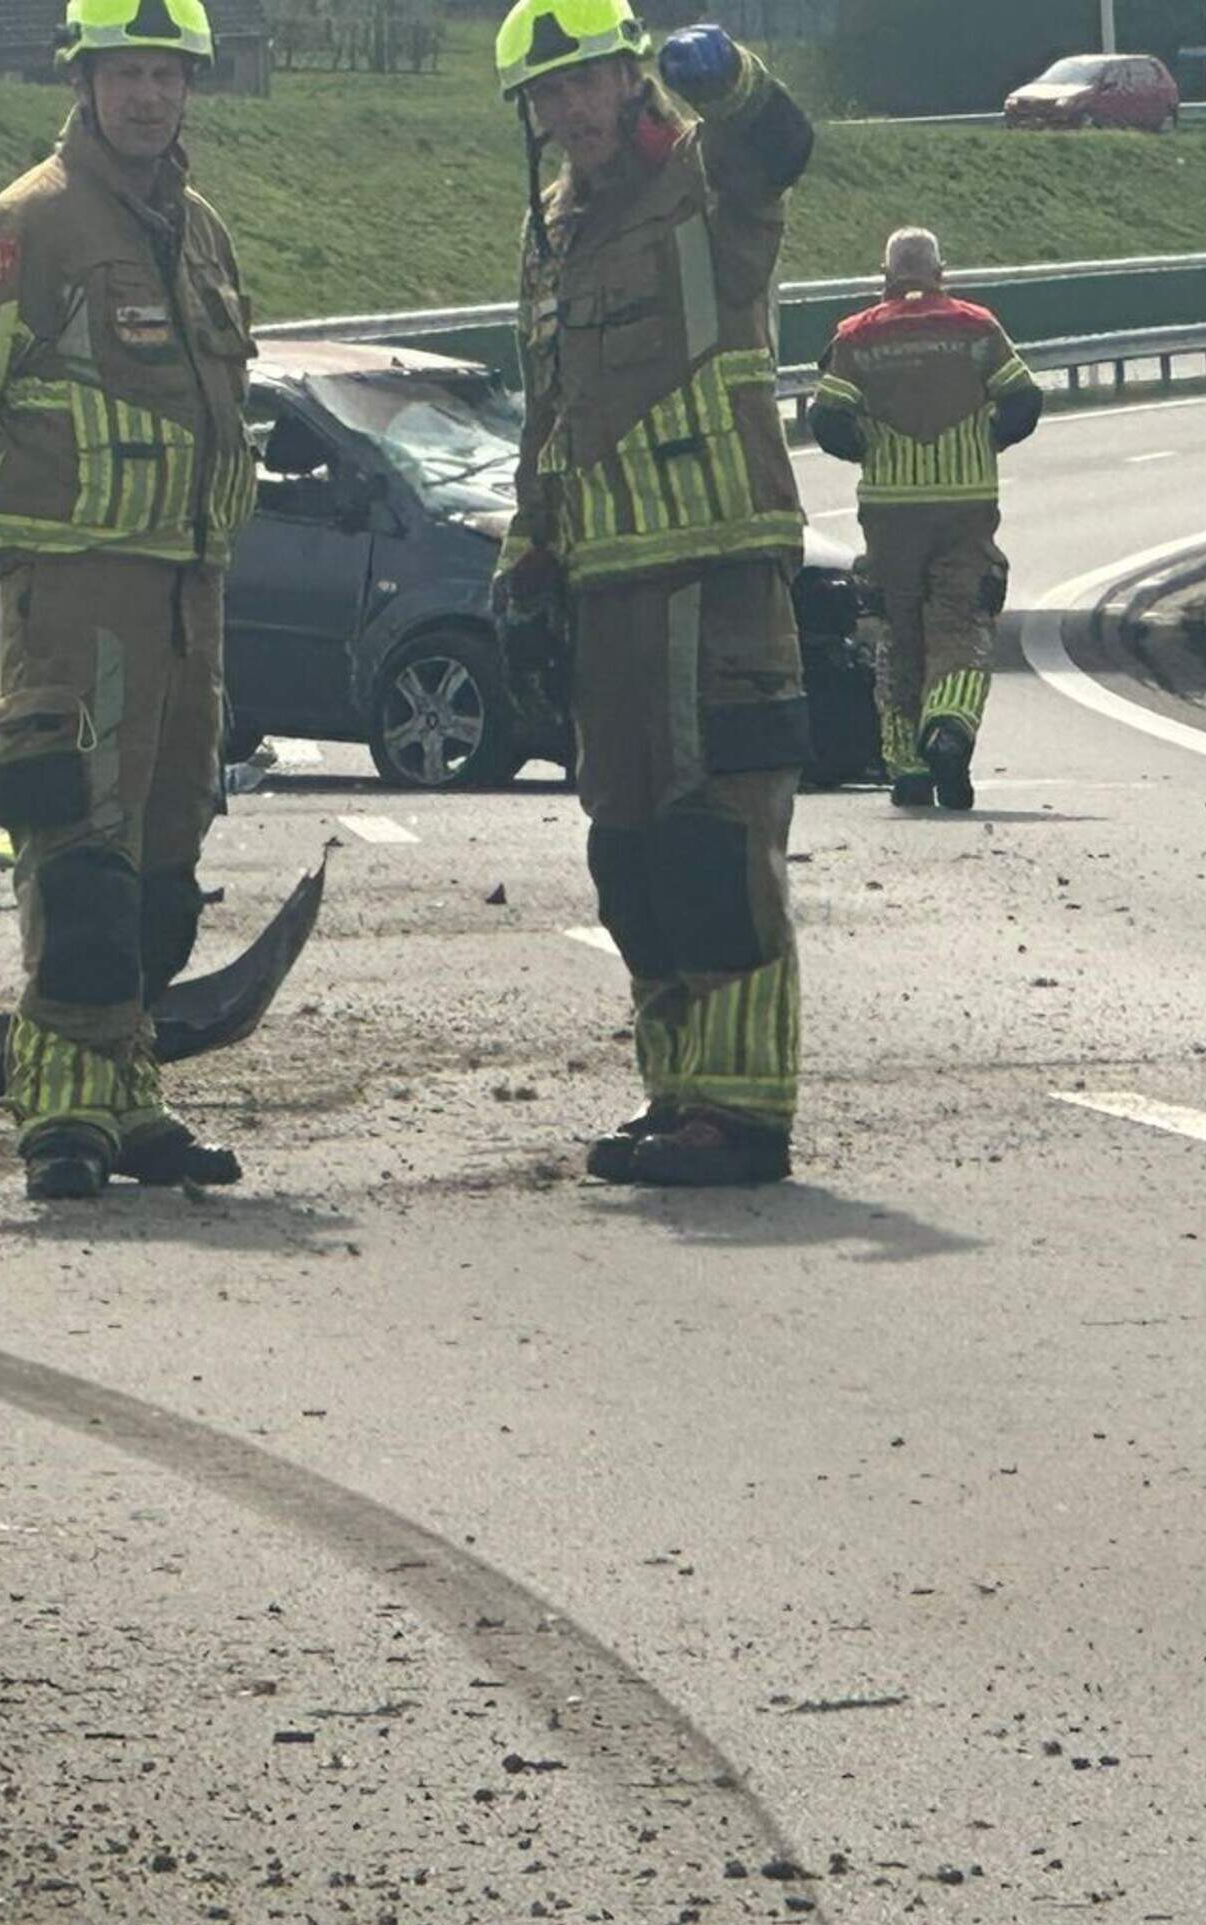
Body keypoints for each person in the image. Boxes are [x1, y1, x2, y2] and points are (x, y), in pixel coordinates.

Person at [0, 0, 254, 1203]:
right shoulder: (25, 227)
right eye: (126, 73)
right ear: (85, 80)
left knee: (161, 869)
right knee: (79, 859)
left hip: (186, 596)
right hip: (72, 594)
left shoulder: (201, 232)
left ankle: (130, 1099)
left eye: (167, 73)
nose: (148, 96)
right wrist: (32, 537)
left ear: (189, 86)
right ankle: (62, 1115)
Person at [492, 0, 818, 1188]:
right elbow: (551, 410)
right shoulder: (550, 228)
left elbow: (780, 144)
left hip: (716, 567)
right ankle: (677, 1090)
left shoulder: (704, 178)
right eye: (548, 94)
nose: (570, 109)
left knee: (713, 842)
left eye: (587, 82)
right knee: (630, 855)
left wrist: (728, 78)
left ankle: (741, 1112)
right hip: (609, 583)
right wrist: (528, 557)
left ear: (633, 77)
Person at [809, 227, 1042, 811]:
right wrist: (984, 439)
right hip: (965, 506)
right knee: (962, 623)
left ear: (884, 277)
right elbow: (1023, 401)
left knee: (896, 631)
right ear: (941, 273)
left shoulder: (856, 336)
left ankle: (908, 766)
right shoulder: (977, 327)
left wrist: (870, 448)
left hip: (889, 511)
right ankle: (949, 729)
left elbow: (828, 419)